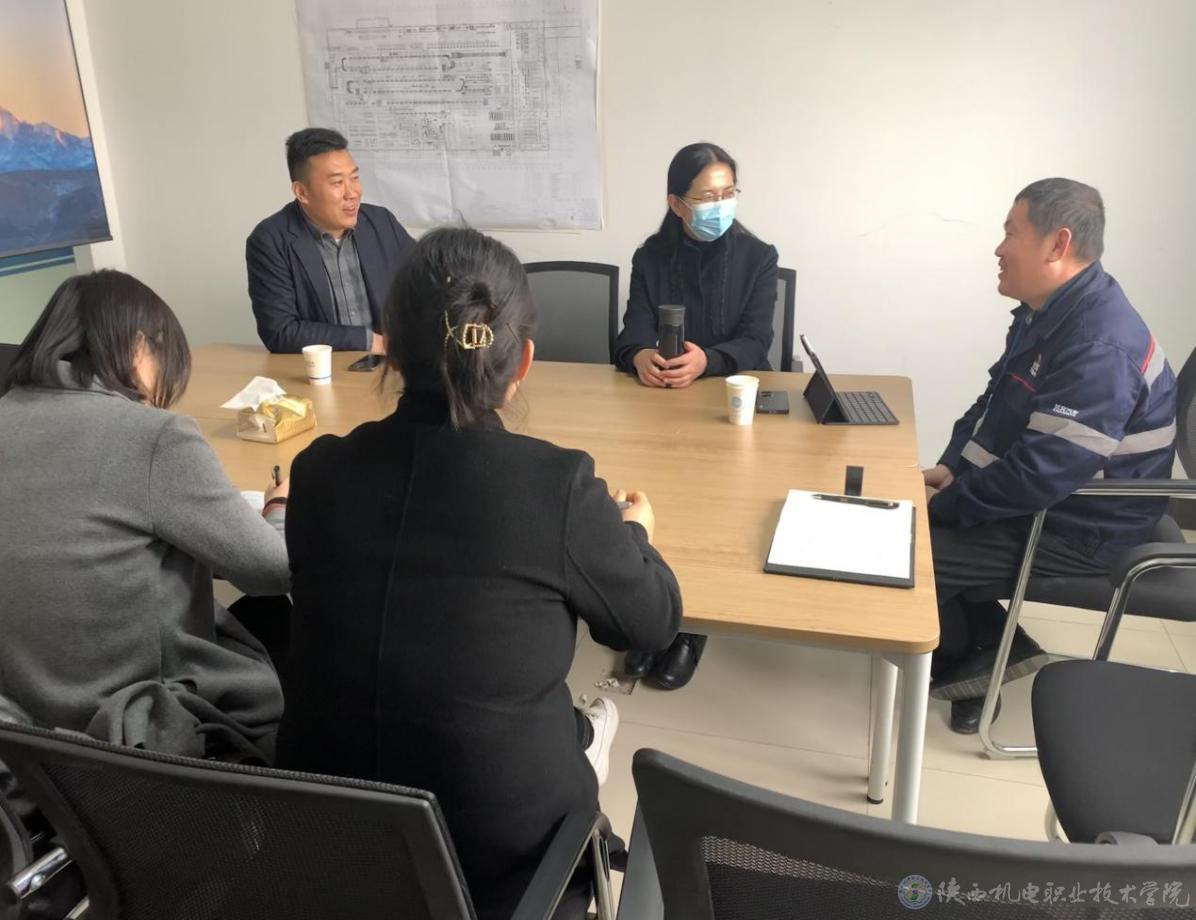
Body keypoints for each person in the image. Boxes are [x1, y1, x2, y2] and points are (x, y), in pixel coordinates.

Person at [275, 227, 683, 919]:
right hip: (502, 872)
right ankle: (591, 736)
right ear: (523, 359)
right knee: (579, 724)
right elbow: (651, 622)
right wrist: (633, 533)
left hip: (327, 849)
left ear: (389, 350)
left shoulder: (318, 471)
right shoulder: (556, 485)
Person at [0, 270, 292, 762]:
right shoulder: (154, 437)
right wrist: (277, 507)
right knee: (281, 617)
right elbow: (272, 570)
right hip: (140, 728)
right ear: (140, 346)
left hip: (26, 734)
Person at [925, 178, 1177, 734]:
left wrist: (944, 506)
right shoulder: (1049, 311)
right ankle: (992, 648)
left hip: (1086, 525)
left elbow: (1040, 475)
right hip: (1058, 496)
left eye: (1010, 233)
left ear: (1057, 245)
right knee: (916, 517)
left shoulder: (1098, 344)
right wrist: (952, 469)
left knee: (914, 555)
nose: (998, 249)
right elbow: (994, 402)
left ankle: (977, 657)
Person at [612, 141, 779, 690]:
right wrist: (639, 355)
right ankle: (650, 616)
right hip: (660, 408)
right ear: (676, 203)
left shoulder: (758, 257)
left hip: (726, 405)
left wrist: (708, 360)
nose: (720, 204)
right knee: (657, 498)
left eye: (728, 192)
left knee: (712, 509)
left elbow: (757, 341)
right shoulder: (650, 257)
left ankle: (690, 629)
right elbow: (632, 332)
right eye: (707, 196)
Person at [246, 127, 416, 354]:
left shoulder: (381, 222)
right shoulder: (270, 240)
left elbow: (426, 280)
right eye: (337, 183)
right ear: (302, 192)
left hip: (386, 365)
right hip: (320, 369)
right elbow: (280, 331)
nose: (352, 193)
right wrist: (369, 341)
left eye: (354, 178)